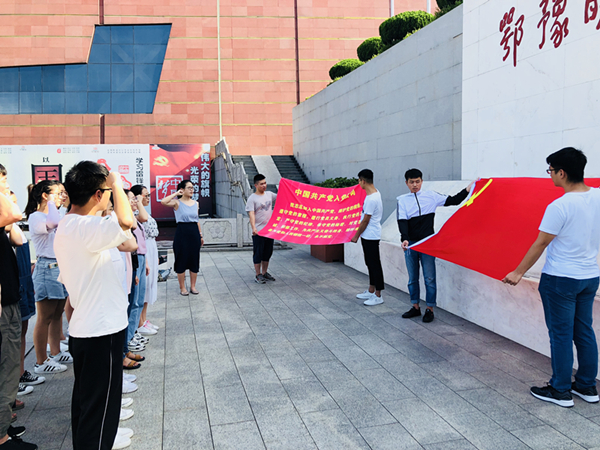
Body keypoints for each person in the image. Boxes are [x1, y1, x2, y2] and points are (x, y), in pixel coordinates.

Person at [503, 147, 600, 408]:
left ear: (562, 173)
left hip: (561, 279)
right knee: (584, 331)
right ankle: (587, 386)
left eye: (551, 170)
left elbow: (541, 243)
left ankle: (560, 390)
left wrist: (518, 272)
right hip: (590, 276)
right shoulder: (598, 197)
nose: (550, 175)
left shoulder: (560, 206)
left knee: (561, 334)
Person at [54, 162, 135, 450]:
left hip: (87, 329)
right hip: (101, 331)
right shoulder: (85, 226)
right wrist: (116, 182)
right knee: (99, 415)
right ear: (98, 194)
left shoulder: (70, 226)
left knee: (87, 407)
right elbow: (126, 222)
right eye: (108, 192)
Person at [397, 169, 474, 323]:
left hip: (428, 244)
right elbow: (402, 221)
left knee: (430, 278)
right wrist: (404, 239)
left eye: (417, 181)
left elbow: (454, 200)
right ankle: (415, 307)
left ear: (422, 181)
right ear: (406, 183)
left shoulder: (431, 196)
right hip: (411, 245)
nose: (415, 185)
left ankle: (430, 309)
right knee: (412, 278)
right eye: (411, 182)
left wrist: (468, 188)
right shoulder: (402, 200)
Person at [0, 164, 38, 450]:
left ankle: (3, 425)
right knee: (6, 365)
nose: (6, 186)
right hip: (2, 305)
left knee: (10, 365)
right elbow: (14, 213)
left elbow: (17, 234)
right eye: (2, 181)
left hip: (9, 299)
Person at [24, 181, 72, 375]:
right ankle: (41, 361)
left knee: (58, 312)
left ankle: (55, 351)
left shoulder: (55, 213)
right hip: (47, 267)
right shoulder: (37, 216)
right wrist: (51, 203)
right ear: (45, 195)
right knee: (45, 317)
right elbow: (52, 223)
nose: (61, 196)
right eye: (57, 193)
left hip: (59, 266)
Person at [7, 192, 45, 390]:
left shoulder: (13, 227)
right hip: (12, 286)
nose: (15, 208)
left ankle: (20, 373)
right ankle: (12, 381)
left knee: (20, 331)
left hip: (22, 282)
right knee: (11, 337)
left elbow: (18, 240)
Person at [161, 180, 203, 295]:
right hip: (182, 232)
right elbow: (163, 202)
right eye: (189, 188)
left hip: (194, 233)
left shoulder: (196, 203)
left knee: (194, 260)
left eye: (192, 188)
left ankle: (193, 286)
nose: (192, 190)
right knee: (181, 260)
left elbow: (197, 220)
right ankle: (182, 288)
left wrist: (200, 235)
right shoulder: (177, 203)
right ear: (182, 190)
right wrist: (176, 194)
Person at [351, 169, 385, 306]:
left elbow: (365, 220)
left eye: (359, 181)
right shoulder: (374, 194)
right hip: (368, 234)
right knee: (370, 263)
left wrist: (356, 235)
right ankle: (371, 290)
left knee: (374, 264)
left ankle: (378, 295)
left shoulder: (372, 199)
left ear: (363, 181)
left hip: (371, 235)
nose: (359, 183)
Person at [130, 185, 159, 335]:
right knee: (144, 286)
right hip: (143, 248)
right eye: (145, 195)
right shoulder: (135, 212)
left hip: (151, 247)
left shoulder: (142, 210)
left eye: (148, 195)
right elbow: (144, 218)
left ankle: (143, 319)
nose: (147, 198)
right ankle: (139, 322)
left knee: (149, 285)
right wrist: (139, 202)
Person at [246, 174, 277, 284]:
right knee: (258, 253)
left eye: (265, 183)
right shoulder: (252, 198)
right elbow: (251, 214)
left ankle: (264, 273)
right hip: (258, 231)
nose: (264, 185)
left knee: (268, 252)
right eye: (261, 184)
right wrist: (253, 228)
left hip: (269, 230)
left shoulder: (270, 195)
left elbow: (282, 197)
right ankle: (258, 274)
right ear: (256, 185)